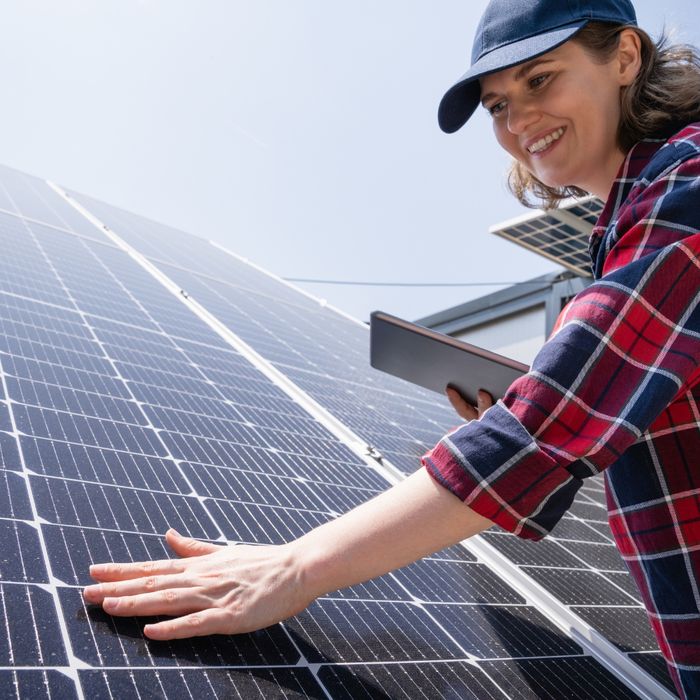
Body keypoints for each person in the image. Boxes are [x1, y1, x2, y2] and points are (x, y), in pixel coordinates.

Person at [83, 0, 700, 696]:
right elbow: (583, 433)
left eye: (540, 80)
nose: (519, 122)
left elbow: (546, 428)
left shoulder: (686, 192)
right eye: (497, 105)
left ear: (624, 57)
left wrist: (296, 568)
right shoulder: (629, 230)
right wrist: (530, 407)